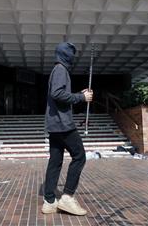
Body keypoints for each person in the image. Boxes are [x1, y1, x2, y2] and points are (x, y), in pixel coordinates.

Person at [42, 42, 93, 216]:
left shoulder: (58, 69)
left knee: (55, 161)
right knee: (80, 156)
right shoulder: (61, 70)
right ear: (66, 55)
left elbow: (59, 94)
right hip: (63, 124)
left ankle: (49, 201)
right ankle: (67, 197)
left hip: (55, 125)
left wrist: (79, 93)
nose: (73, 58)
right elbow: (57, 93)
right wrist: (81, 97)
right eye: (71, 54)